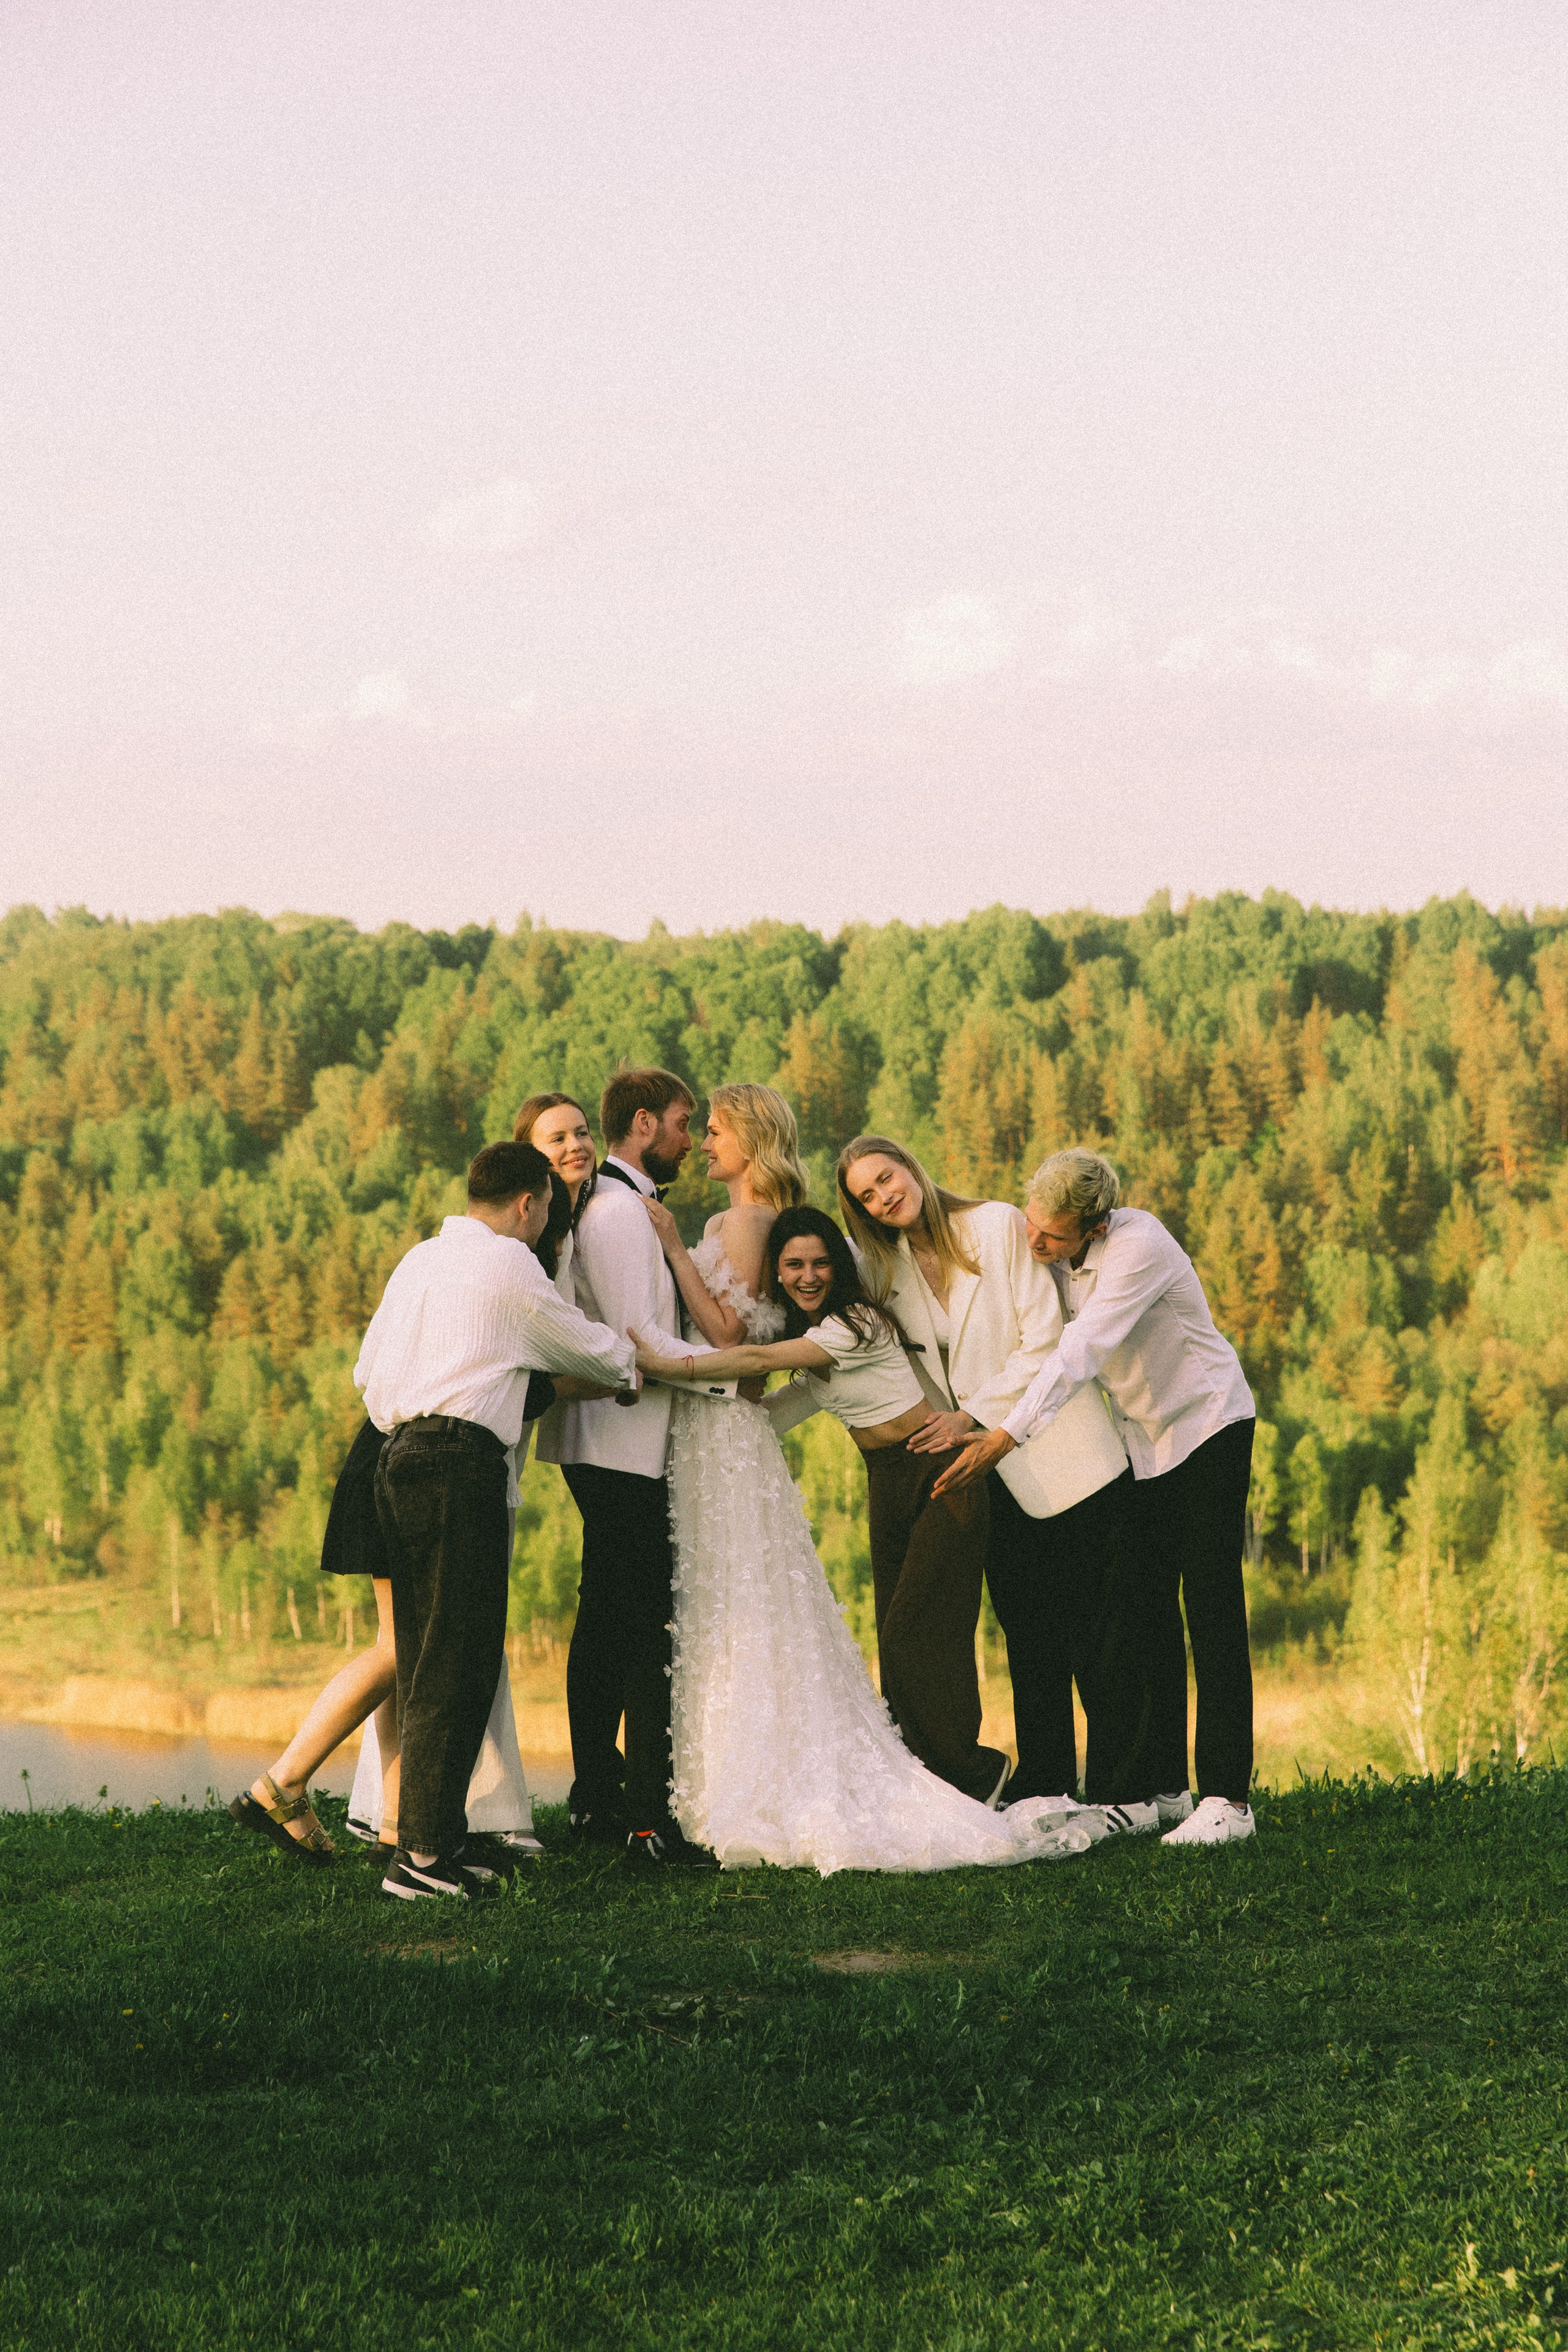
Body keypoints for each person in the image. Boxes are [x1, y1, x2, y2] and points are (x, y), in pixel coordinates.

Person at [633, 1196, 1091, 1871]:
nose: (808, 1275)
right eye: (793, 1265)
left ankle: (975, 1771)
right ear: (779, 1272)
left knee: (919, 1629)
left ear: (837, 1269)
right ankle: (932, 1769)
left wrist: (666, 1365)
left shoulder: (854, 1324)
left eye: (820, 1262)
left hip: (940, 1476)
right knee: (897, 1631)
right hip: (886, 1482)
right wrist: (707, 1417)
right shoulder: (819, 1349)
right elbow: (773, 1407)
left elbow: (756, 1360)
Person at [933, 1149, 1259, 1848]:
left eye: (1051, 1237)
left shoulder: (1138, 1248)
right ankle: (1165, 1792)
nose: (1036, 1245)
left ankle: (1228, 1800)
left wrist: (1003, 1437)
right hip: (1144, 1447)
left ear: (1094, 1224)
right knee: (1147, 1612)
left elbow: (1079, 1350)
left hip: (1208, 1430)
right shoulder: (1053, 1245)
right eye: (1032, 1228)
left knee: (1211, 1609)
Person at [358, 1139, 638, 1901]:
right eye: (548, 1206)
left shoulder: (420, 1259)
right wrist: (629, 1349)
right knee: (460, 1661)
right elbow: (600, 1357)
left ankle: (434, 1842)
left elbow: (367, 1372)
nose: (547, 1218)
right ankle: (419, 1861)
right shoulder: (511, 1263)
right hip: (458, 1467)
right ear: (527, 1204)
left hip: (397, 1459)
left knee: (425, 1658)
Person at [835, 1135, 1136, 1818]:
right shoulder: (886, 1270)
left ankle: (1130, 1789)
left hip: (1062, 1450)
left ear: (911, 1164)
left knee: (1097, 1630)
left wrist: (971, 1414)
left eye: (887, 1178)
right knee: (1026, 1629)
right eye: (867, 1197)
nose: (885, 1197)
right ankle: (1048, 1780)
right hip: (984, 1472)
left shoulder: (996, 1224)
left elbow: (1045, 1338)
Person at [551, 1067, 717, 1868]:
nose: (693, 1138)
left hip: (612, 1441)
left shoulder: (617, 1204)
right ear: (645, 1124)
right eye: (688, 1123)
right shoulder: (619, 1213)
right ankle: (648, 1818)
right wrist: (739, 1363)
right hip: (621, 1443)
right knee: (644, 1623)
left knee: (606, 1621)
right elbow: (636, 1342)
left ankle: (597, 1798)